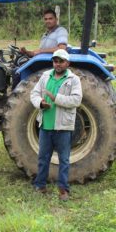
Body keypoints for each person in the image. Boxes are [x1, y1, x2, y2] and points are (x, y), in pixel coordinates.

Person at [30, 49, 82, 201]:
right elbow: (34, 94)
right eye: (55, 61)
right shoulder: (46, 76)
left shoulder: (73, 80)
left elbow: (76, 100)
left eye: (61, 61)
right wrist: (40, 103)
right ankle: (40, 186)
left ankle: (63, 189)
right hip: (46, 124)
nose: (57, 64)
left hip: (63, 127)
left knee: (64, 160)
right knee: (43, 158)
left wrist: (55, 98)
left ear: (68, 63)